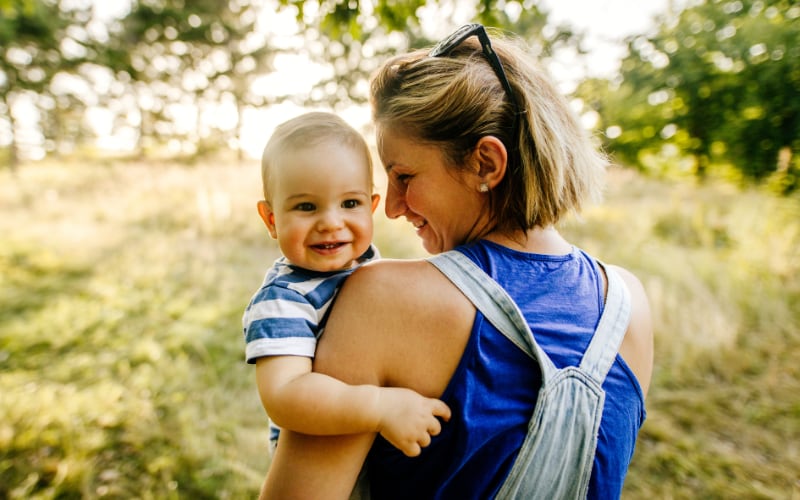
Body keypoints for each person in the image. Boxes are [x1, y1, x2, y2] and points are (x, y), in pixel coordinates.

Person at [260, 25, 654, 500]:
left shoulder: (382, 298)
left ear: (486, 163)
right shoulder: (629, 303)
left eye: (404, 175)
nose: (392, 207)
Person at [242, 112, 451, 462]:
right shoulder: (285, 299)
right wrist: (380, 407)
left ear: (371, 207)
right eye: (306, 207)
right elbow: (285, 395)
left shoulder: (371, 266)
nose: (331, 222)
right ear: (272, 220)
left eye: (350, 204)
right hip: (323, 456)